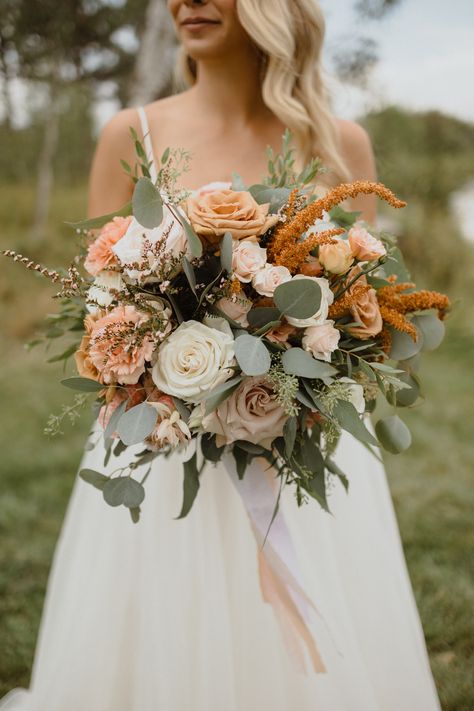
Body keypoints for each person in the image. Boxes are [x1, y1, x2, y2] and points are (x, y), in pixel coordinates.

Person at [1, 1, 442, 709]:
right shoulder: (132, 133)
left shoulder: (341, 146)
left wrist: (299, 346)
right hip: (162, 441)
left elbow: (364, 310)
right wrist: (169, 357)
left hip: (305, 440)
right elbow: (97, 306)